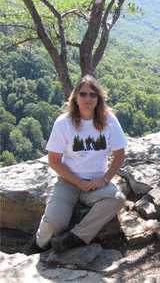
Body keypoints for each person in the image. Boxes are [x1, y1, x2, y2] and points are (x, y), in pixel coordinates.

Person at [23, 75, 127, 255]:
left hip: (96, 181)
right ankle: (39, 244)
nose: (88, 99)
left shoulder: (109, 120)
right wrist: (78, 182)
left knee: (117, 199)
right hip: (67, 180)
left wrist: (104, 179)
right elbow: (54, 161)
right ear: (75, 97)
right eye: (83, 94)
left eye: (93, 95)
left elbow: (119, 155)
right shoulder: (64, 123)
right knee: (56, 222)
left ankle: (74, 238)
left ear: (99, 98)